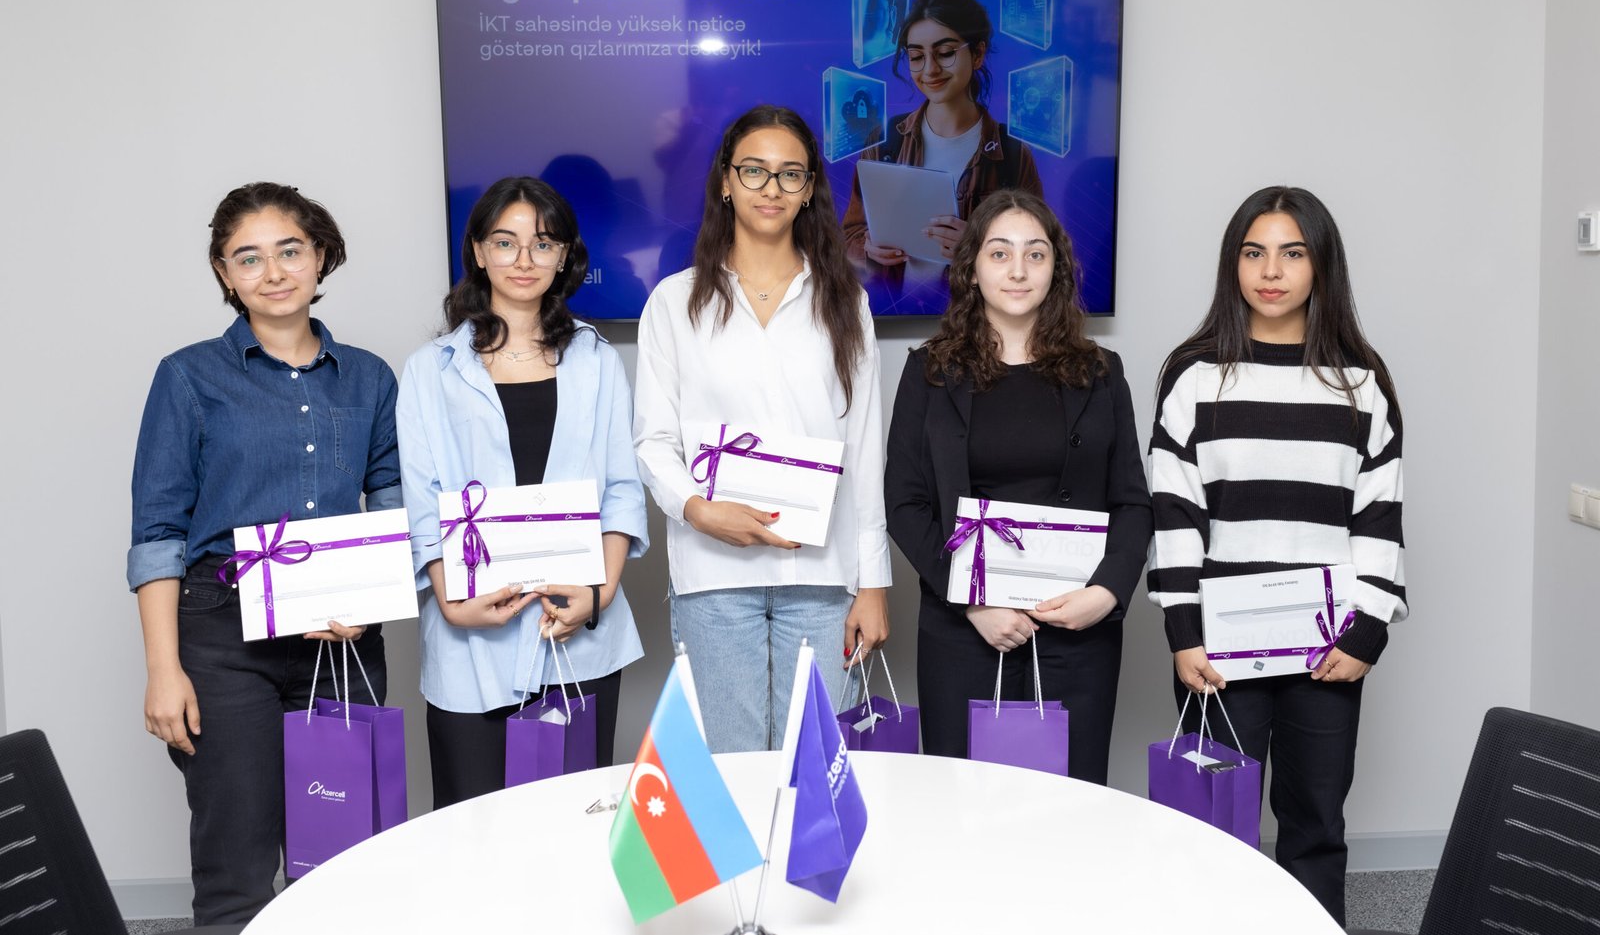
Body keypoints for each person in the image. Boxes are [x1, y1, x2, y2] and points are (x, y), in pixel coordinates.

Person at [128, 182, 400, 925]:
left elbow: (395, 503)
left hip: (340, 641)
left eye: (290, 250)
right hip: (222, 638)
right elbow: (158, 532)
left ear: (321, 256)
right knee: (237, 864)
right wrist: (163, 671)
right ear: (224, 272)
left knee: (347, 856)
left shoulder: (371, 377)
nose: (273, 272)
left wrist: (368, 603)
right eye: (248, 258)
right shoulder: (187, 376)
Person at [1146, 186, 1406, 925]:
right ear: (1232, 264)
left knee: (1315, 821)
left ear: (1321, 265)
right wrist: (1183, 633)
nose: (1271, 271)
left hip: (1328, 645)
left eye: (1292, 253)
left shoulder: (1361, 382)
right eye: (1253, 252)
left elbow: (1379, 516)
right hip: (1219, 647)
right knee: (1211, 822)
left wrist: (1368, 631)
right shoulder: (1195, 375)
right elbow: (1174, 511)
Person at [634, 104, 891, 753]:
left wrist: (873, 584)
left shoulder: (845, 302)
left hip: (823, 576)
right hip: (714, 576)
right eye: (754, 170)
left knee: (816, 770)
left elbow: (864, 453)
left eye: (789, 174)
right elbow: (654, 442)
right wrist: (699, 509)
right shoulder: (674, 302)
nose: (771, 188)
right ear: (726, 180)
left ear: (809, 190)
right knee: (731, 766)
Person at [397, 176, 647, 809]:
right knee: (474, 826)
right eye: (505, 242)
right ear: (479, 252)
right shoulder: (431, 370)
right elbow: (423, 499)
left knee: (573, 824)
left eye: (543, 243)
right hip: (471, 636)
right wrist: (452, 602)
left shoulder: (597, 359)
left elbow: (622, 488)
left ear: (565, 256)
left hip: (578, 629)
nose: (524, 259)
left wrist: (599, 595)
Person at [883, 189, 1151, 782]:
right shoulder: (929, 372)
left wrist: (1107, 593)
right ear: (972, 267)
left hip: (1078, 630)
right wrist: (973, 601)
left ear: (1056, 268)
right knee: (965, 805)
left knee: (1071, 805)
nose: (1018, 270)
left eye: (1035, 254)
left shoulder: (1102, 373)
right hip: (965, 629)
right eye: (1000, 253)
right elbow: (905, 504)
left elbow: (1132, 500)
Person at [841, 0, 1044, 274]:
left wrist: (981, 247)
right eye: (916, 56)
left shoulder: (1013, 155)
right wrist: (867, 247)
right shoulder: (884, 142)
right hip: (893, 302)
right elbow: (850, 237)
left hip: (971, 306)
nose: (930, 70)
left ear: (977, 55)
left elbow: (1036, 254)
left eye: (946, 52)